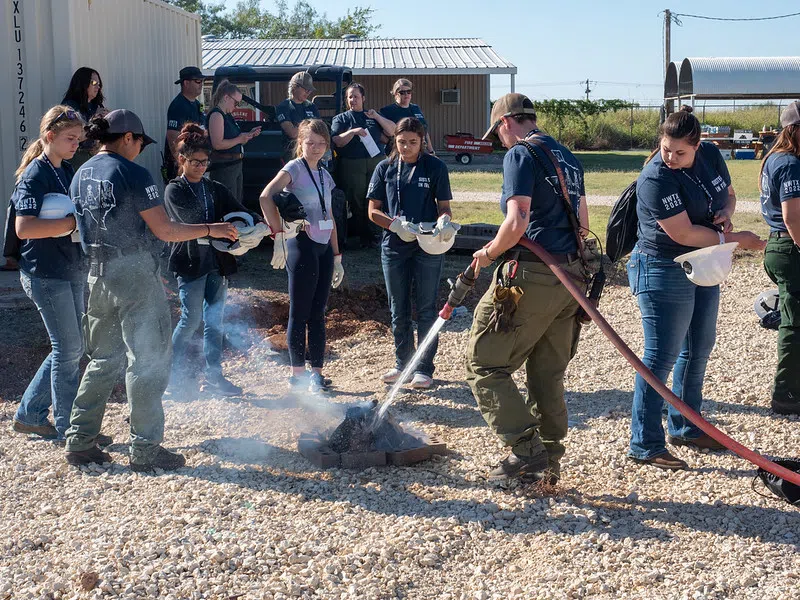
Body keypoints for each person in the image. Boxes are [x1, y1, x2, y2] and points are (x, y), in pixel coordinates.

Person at [64, 109, 238, 472]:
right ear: (127, 137)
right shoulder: (132, 173)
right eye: (140, 141)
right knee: (148, 360)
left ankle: (80, 440)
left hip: (97, 275)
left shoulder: (80, 173)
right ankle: (145, 448)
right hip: (132, 275)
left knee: (103, 359)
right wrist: (211, 229)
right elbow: (166, 230)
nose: (141, 148)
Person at [627, 106, 765, 470]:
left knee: (698, 346)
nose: (671, 158)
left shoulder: (711, 156)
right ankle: (645, 442)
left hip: (704, 259)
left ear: (698, 144)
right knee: (660, 355)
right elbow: (682, 232)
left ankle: (687, 425)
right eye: (666, 148)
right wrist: (732, 238)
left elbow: (729, 194)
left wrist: (725, 214)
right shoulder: (655, 176)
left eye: (680, 152)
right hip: (661, 264)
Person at [464, 93, 589, 484]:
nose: (500, 141)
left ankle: (526, 450)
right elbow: (582, 226)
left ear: (505, 123)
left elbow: (517, 221)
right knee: (547, 372)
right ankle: (549, 459)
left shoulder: (518, 154)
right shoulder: (567, 156)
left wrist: (487, 253)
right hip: (570, 278)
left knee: (483, 364)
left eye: (498, 132)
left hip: (530, 275)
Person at [9, 106, 107, 445]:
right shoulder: (35, 175)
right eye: (69, 138)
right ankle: (71, 429)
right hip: (44, 273)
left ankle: (30, 415)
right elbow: (23, 229)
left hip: (68, 267)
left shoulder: (65, 170)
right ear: (49, 136)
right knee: (68, 348)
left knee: (68, 347)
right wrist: (69, 224)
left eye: (78, 139)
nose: (75, 145)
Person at [164, 123, 263, 397]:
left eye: (205, 162)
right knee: (190, 320)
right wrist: (216, 228)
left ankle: (214, 377)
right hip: (190, 263)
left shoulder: (214, 187)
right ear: (181, 160)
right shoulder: (174, 190)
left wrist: (260, 224)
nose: (201, 166)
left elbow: (239, 209)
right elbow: (188, 223)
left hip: (217, 263)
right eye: (195, 161)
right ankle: (170, 378)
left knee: (215, 322)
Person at [367, 117, 454, 390]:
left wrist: (444, 222)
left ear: (423, 141)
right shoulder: (385, 169)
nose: (406, 148)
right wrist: (393, 224)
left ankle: (424, 368)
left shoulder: (436, 167)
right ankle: (402, 363)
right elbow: (372, 211)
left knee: (426, 308)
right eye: (401, 142)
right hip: (394, 246)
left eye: (412, 143)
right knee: (398, 308)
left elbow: (445, 208)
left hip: (427, 246)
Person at [259, 119, 344, 394]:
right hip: (301, 244)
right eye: (310, 143)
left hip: (323, 247)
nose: (316, 148)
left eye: (321, 144)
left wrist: (337, 254)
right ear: (300, 143)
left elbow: (329, 214)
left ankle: (316, 374)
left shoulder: (324, 174)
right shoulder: (293, 169)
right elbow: (265, 197)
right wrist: (278, 234)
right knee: (300, 311)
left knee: (318, 313)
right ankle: (297, 375)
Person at [759, 101, 800, 416]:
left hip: (780, 246)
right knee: (794, 323)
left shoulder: (775, 159)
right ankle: (785, 393)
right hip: (789, 246)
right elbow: (793, 217)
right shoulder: (789, 164)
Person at [331, 83, 395, 249]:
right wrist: (352, 132)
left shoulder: (372, 116)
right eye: (350, 97)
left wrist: (377, 117)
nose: (353, 100)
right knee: (358, 200)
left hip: (376, 162)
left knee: (377, 198)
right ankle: (364, 236)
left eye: (356, 96)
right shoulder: (342, 119)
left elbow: (392, 131)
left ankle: (376, 234)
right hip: (353, 163)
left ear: (363, 98)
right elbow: (337, 141)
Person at [207, 79, 261, 204]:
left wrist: (248, 136)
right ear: (226, 97)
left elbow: (235, 141)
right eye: (236, 103)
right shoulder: (217, 115)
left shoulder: (228, 116)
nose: (236, 106)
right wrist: (239, 139)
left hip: (235, 164)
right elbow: (217, 144)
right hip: (224, 167)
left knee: (237, 203)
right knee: (228, 204)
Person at [163, 66, 205, 182]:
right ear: (186, 83)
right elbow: (172, 137)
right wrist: (182, 165)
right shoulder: (178, 106)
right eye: (198, 81)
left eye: (202, 81)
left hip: (195, 163)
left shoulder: (197, 104)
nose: (201, 84)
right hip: (182, 166)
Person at [61, 67, 108, 169]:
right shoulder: (69, 107)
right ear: (83, 83)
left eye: (99, 84)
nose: (98, 87)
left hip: (95, 155)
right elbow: (75, 136)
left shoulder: (96, 106)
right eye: (94, 83)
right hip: (76, 156)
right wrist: (94, 120)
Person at [379, 79, 435, 156]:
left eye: (409, 92)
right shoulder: (387, 111)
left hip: (419, 152)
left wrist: (431, 151)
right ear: (395, 94)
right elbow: (378, 132)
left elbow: (424, 131)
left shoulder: (415, 108)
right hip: (399, 153)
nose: (406, 94)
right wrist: (391, 143)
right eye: (402, 92)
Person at [276, 71, 321, 161]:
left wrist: (301, 128)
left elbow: (320, 129)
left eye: (310, 90)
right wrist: (311, 128)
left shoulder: (311, 106)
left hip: (312, 152)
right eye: (305, 89)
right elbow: (292, 133)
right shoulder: (284, 107)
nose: (308, 92)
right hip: (293, 153)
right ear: (294, 87)